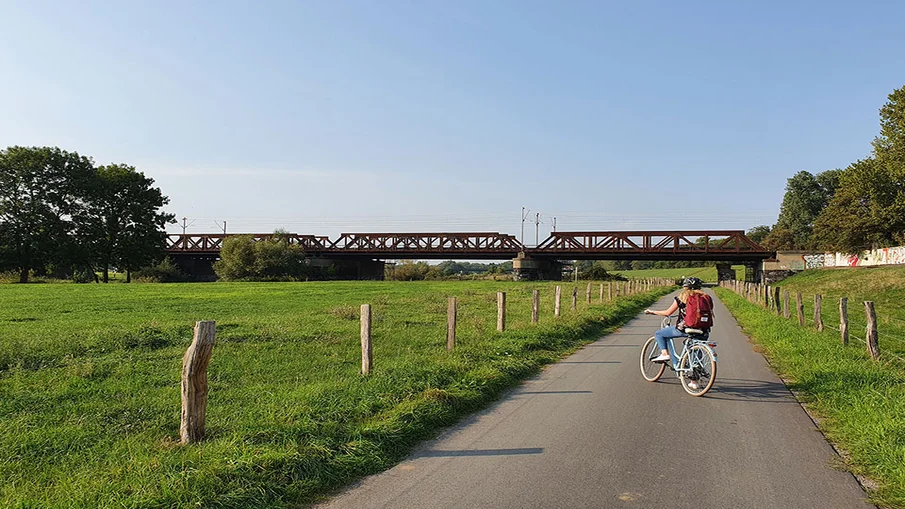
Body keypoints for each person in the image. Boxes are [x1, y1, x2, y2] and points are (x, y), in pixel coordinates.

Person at [643, 277, 708, 364]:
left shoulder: (682, 297)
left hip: (685, 328)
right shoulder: (706, 298)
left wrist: (653, 312)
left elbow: (667, 313)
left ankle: (664, 354)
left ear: (685, 287)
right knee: (698, 345)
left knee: (659, 334)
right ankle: (697, 365)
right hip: (703, 329)